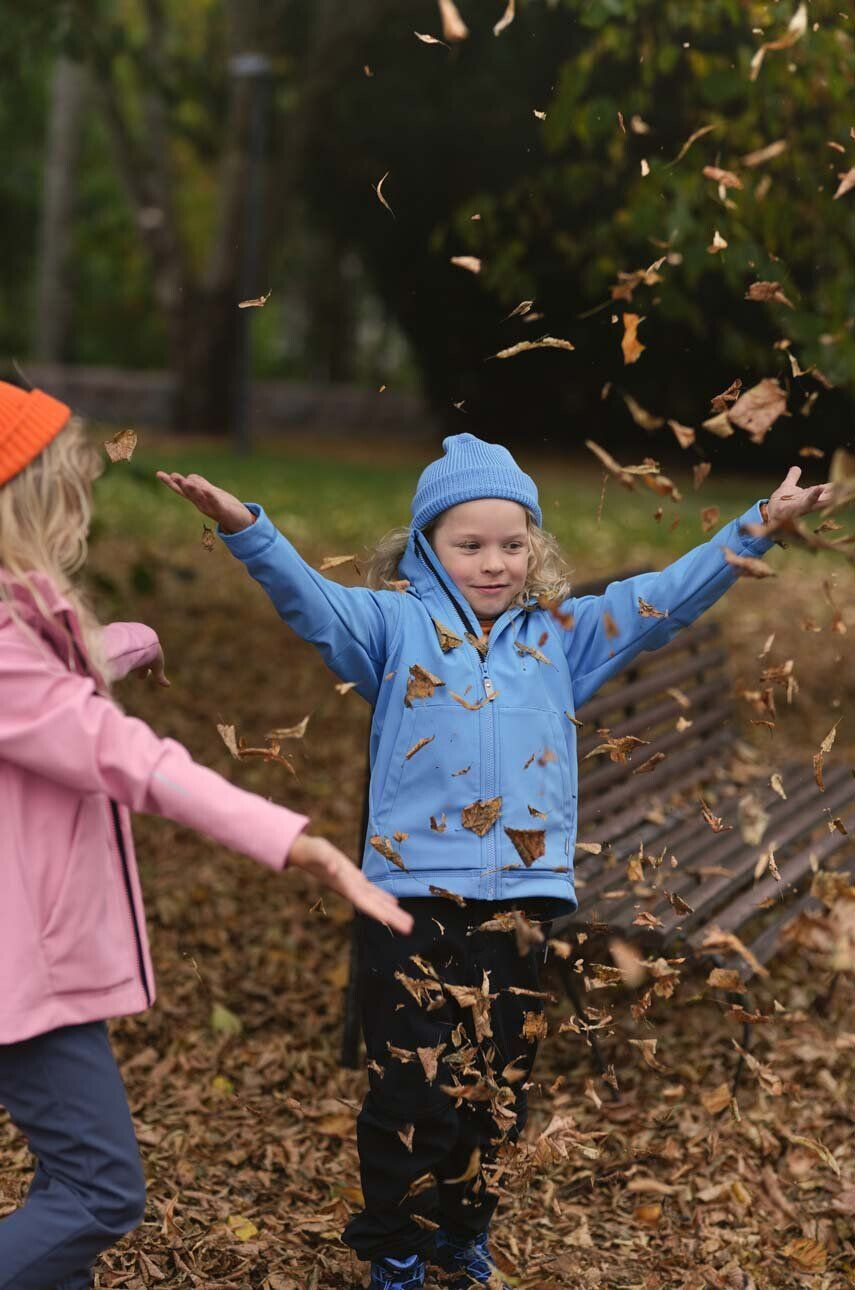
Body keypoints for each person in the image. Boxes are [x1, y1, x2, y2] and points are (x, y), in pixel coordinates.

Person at [159, 433, 834, 1289]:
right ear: (426, 546)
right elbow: (311, 603)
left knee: (496, 1092)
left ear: (534, 547)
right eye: (469, 544)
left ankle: (459, 1234)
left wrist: (758, 527)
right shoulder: (391, 626)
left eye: (511, 544)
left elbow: (667, 598)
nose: (493, 563)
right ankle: (396, 1247)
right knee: (408, 1088)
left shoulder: (562, 636)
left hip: (521, 902)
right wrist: (246, 528)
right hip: (406, 900)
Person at [0, 381, 413, 1290]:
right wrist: (298, 843)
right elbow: (129, 758)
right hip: (21, 976)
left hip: (30, 969)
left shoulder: (20, 631)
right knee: (99, 1196)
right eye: (70, 488)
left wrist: (122, 645)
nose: (84, 507)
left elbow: (52, 695)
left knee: (64, 1194)